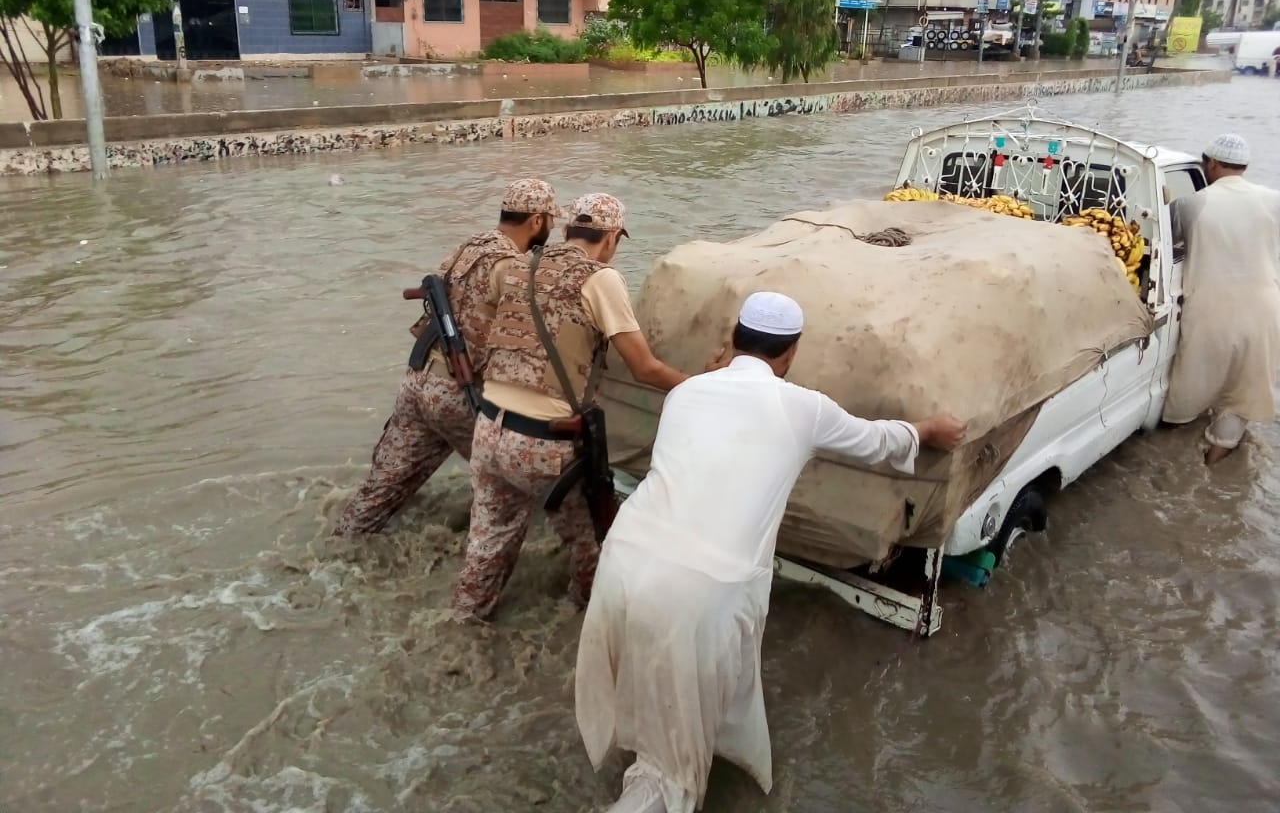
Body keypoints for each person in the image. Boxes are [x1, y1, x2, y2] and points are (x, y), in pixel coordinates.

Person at [574, 292, 967, 813]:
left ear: (733, 337)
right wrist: (929, 430)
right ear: (790, 353)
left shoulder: (686, 394)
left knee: (649, 691)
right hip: (699, 589)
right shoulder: (801, 407)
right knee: (675, 775)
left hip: (624, 559)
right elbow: (876, 442)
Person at [450, 193, 697, 622]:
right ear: (613, 237)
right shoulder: (601, 279)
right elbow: (644, 367)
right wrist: (705, 386)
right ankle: (583, 621)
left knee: (488, 543)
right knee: (595, 542)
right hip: (545, 443)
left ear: (565, 230)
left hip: (488, 430)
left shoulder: (517, 265)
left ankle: (465, 619)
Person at [332, 178, 560, 536]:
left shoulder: (468, 246)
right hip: (459, 393)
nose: (552, 227)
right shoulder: (510, 266)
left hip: (419, 383)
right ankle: (474, 549)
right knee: (518, 484)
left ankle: (341, 545)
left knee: (380, 491)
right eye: (550, 220)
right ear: (536, 221)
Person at [1162, 133, 1280, 465]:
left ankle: (1173, 462)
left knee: (1192, 385)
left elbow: (1170, 245)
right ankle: (1215, 459)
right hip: (1265, 309)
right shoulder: (1274, 199)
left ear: (1210, 163)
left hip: (1211, 308)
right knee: (1243, 393)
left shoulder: (1191, 204)